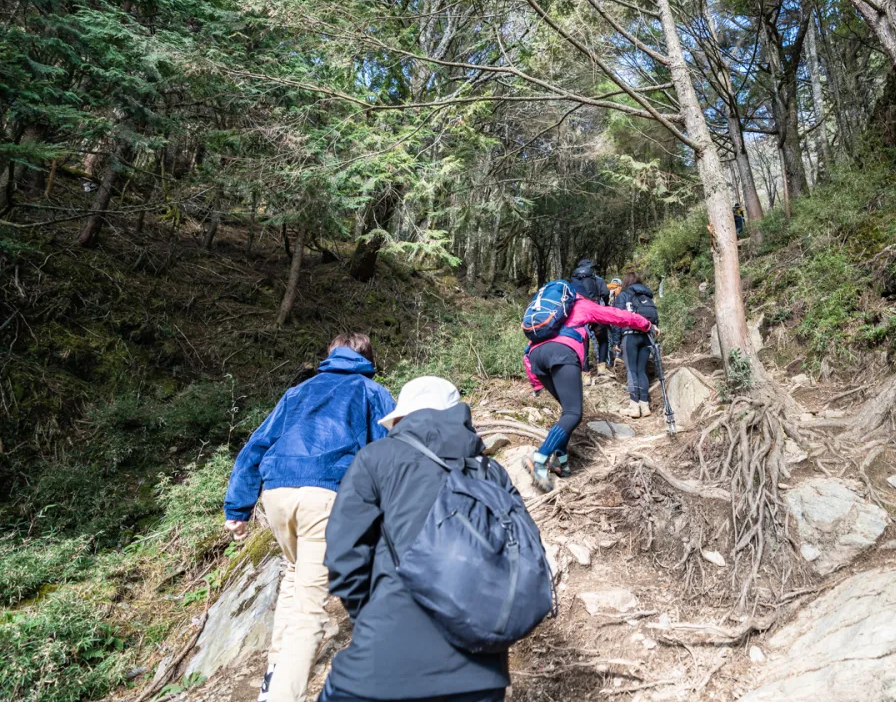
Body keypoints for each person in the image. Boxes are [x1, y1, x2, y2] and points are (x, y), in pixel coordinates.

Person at [223, 333, 395, 702]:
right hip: (325, 493)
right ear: (367, 357)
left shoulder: (297, 393)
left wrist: (237, 509)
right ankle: (283, 695)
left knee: (292, 573)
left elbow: (255, 446)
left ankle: (274, 673)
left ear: (331, 356)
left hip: (276, 493)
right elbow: (387, 451)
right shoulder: (371, 391)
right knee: (311, 607)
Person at [320, 377, 514, 702]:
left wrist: (367, 615)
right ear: (459, 416)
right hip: (479, 675)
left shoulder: (374, 458)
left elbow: (343, 555)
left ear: (398, 419)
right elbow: (517, 558)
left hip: (379, 668)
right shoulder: (490, 471)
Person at [523, 284, 654, 491]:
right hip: (562, 353)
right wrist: (645, 324)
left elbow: (528, 350)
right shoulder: (580, 304)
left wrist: (536, 383)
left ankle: (561, 462)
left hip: (536, 358)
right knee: (573, 414)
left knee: (568, 413)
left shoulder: (547, 317)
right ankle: (538, 460)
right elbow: (616, 315)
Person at [612, 272, 659, 419]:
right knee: (641, 370)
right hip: (646, 336)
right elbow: (654, 316)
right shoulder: (647, 296)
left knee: (631, 371)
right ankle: (644, 405)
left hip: (629, 337)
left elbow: (617, 318)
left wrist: (615, 341)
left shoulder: (623, 295)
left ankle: (634, 406)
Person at [569, 258, 611, 374]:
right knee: (603, 339)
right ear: (591, 269)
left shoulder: (573, 281)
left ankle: (585, 373)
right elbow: (605, 293)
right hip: (596, 312)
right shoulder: (598, 280)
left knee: (584, 342)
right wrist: (605, 306)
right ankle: (602, 368)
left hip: (580, 314)